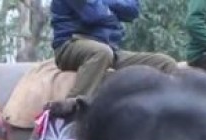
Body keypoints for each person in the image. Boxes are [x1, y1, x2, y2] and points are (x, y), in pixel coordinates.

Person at [50, 0, 178, 113]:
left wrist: (104, 5)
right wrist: (114, 8)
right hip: (71, 44)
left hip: (110, 48)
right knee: (101, 53)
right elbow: (93, 14)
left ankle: (167, 115)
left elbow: (132, 10)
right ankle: (72, 108)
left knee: (165, 63)